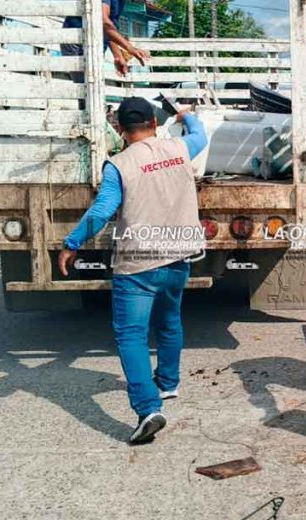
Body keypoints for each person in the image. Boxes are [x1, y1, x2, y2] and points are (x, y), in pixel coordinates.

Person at [59, 97, 208, 444]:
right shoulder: (181, 148)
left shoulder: (119, 165)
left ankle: (147, 408)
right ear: (155, 124)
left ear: (121, 131)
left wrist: (72, 243)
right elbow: (200, 132)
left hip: (138, 264)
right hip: (178, 256)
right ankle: (168, 383)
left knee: (131, 336)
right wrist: (184, 114)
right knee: (169, 320)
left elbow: (101, 212)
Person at [62, 0, 150, 77]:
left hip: (94, 43)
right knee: (86, 87)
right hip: (78, 40)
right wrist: (129, 47)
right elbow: (103, 21)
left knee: (95, 85)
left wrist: (118, 55)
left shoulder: (121, 2)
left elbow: (110, 27)